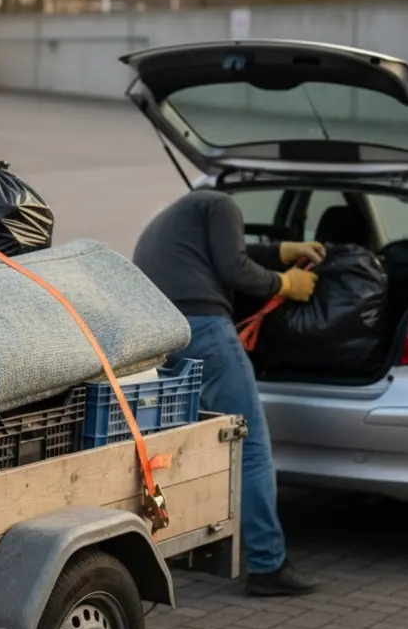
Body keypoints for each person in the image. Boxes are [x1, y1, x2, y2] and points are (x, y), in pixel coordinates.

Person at [132, 189, 324, 597]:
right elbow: (234, 266)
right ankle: (269, 565)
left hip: (160, 330)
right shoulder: (223, 205)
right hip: (203, 329)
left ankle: (176, 546)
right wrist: (285, 282)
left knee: (186, 443)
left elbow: (231, 251)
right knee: (249, 445)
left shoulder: (182, 212)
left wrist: (280, 250)